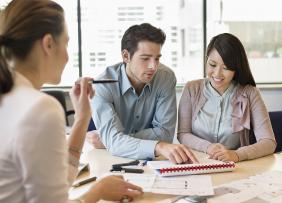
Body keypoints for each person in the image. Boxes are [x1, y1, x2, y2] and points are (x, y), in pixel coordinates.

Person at [0, 0, 142, 203]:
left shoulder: (12, 97)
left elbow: (52, 180)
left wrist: (82, 118)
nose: (68, 56)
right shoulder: (39, 108)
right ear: (48, 44)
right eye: (66, 43)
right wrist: (98, 190)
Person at [88, 23, 198, 164]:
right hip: (111, 161)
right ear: (126, 56)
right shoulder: (103, 86)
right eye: (145, 58)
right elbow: (115, 143)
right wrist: (157, 145)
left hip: (153, 163)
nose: (153, 66)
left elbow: (165, 134)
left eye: (157, 58)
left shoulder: (166, 78)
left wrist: (115, 140)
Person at [177, 33, 276, 162]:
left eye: (226, 68)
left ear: (236, 68)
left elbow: (268, 142)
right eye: (212, 64)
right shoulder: (191, 89)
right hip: (196, 163)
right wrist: (208, 147)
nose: (217, 73)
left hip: (234, 166)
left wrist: (236, 155)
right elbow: (183, 134)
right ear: (206, 60)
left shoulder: (251, 93)